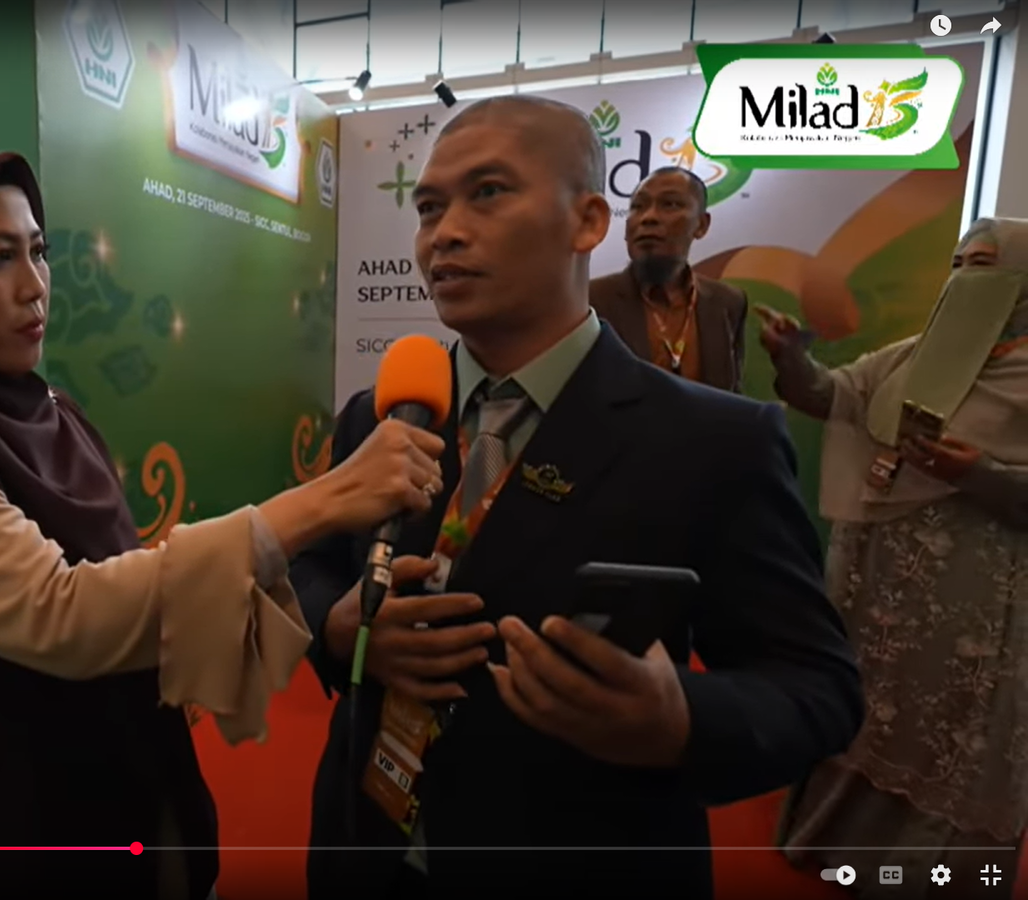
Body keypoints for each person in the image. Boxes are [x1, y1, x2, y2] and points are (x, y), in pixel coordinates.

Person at [0, 139, 446, 900]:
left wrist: (322, 616)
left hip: (117, 788)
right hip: (1, 831)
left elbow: (123, 579)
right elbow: (61, 613)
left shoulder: (44, 407)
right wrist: (324, 500)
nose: (35, 286)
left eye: (38, 251)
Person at [291, 96, 864, 900]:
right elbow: (308, 567)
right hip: (362, 848)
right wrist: (337, 626)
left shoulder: (717, 441)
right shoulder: (381, 412)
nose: (444, 233)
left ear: (588, 221)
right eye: (428, 208)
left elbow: (817, 687)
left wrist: (678, 719)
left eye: (488, 192)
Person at [762, 217, 1028, 897]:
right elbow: (836, 395)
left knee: (946, 726)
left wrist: (978, 474)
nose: (965, 279)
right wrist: (791, 359)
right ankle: (835, 840)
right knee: (867, 707)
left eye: (984, 267)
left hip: (974, 592)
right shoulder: (919, 353)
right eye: (958, 264)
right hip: (878, 581)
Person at [589, 166, 749, 392]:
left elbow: (732, 394)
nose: (649, 217)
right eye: (638, 206)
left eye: (670, 204)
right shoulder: (591, 300)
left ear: (701, 225)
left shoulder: (728, 302)